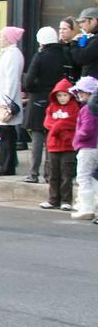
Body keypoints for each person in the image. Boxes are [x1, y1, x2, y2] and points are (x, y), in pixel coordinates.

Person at [22, 26, 68, 183]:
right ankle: (50, 174)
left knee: (37, 139)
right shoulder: (64, 55)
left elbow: (28, 81)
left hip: (38, 100)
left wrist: (34, 89)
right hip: (56, 100)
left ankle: (33, 173)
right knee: (52, 138)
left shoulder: (40, 56)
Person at [0, 26, 25, 176]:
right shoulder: (9, 54)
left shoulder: (13, 55)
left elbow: (11, 80)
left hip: (5, 102)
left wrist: (6, 101)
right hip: (2, 100)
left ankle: (7, 166)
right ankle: (8, 163)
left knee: (5, 136)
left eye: (2, 37)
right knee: (4, 135)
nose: (0, 39)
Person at [41, 78, 79, 211]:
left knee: (66, 174)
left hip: (68, 146)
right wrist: (60, 128)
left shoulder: (74, 107)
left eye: (65, 95)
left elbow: (74, 122)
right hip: (53, 145)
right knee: (53, 174)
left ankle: (66, 200)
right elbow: (47, 122)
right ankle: (53, 199)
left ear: (70, 95)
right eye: (59, 95)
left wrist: (59, 126)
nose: (62, 98)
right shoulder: (52, 107)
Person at [70, 76, 98, 220]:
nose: (79, 94)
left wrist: (77, 140)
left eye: (83, 91)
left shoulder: (87, 109)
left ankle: (86, 207)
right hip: (95, 146)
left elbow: (87, 130)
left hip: (87, 147)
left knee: (83, 177)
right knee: (94, 178)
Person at [69, 7, 98, 82]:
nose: (80, 25)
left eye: (83, 21)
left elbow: (81, 58)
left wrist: (74, 43)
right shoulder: (93, 38)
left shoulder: (96, 39)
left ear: (93, 20)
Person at [58, 16, 82, 82]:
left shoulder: (80, 46)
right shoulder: (57, 46)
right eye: (60, 29)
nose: (61, 31)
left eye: (64, 29)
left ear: (73, 30)